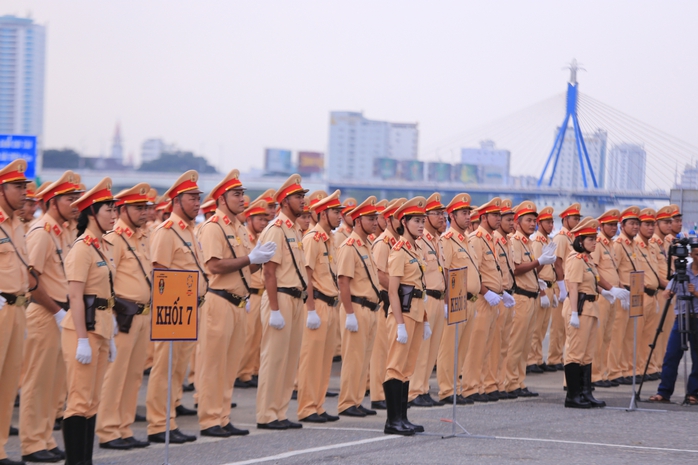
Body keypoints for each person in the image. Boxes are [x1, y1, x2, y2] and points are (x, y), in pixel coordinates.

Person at [197, 170, 276, 438]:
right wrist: (249, 259)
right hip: (219, 300)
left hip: (239, 301)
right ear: (221, 199)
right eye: (237, 194)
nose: (243, 199)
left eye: (242, 194)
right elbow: (215, 265)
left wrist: (258, 260)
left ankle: (222, 416)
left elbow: (246, 270)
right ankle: (209, 420)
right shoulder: (213, 227)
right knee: (214, 364)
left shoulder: (239, 228)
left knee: (230, 364)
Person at [20, 172, 82, 463]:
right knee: (38, 381)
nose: (76, 204)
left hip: (63, 313)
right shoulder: (42, 231)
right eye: (70, 199)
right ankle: (32, 443)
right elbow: (31, 280)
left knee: (56, 382)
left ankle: (44, 437)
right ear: (53, 202)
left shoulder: (67, 230)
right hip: (46, 312)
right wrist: (57, 311)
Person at [146, 170, 207, 444]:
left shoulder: (190, 231)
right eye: (192, 198)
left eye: (198, 198)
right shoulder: (167, 232)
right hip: (173, 312)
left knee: (177, 369)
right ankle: (159, 424)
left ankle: (169, 419)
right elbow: (159, 272)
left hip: (190, 310)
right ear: (176, 201)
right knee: (165, 368)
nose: (197, 203)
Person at [61, 177, 118, 465]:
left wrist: (110, 335)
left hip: (101, 328)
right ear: (92, 213)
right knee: (79, 401)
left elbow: (106, 292)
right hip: (82, 331)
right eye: (108, 209)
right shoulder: (82, 248)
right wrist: (82, 338)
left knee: (93, 401)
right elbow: (75, 297)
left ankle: (86, 460)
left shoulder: (104, 247)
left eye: (114, 208)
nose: (114, 214)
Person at [96, 183, 153, 450]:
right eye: (138, 208)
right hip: (123, 315)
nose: (144, 213)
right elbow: (106, 278)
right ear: (123, 209)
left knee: (133, 376)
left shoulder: (142, 237)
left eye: (145, 207)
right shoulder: (115, 238)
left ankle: (124, 426)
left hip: (143, 314)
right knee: (116, 374)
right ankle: (108, 430)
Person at [255, 174, 309, 430]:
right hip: (281, 299)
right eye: (299, 197)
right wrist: (274, 309)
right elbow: (269, 272)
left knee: (288, 359)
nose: (303, 201)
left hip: (296, 298)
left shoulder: (295, 229)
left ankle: (279, 411)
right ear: (285, 201)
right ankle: (266, 414)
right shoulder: (276, 229)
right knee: (274, 357)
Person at [383, 197, 431, 435]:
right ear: (404, 222)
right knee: (395, 367)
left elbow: (419, 286)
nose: (421, 225)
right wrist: (400, 324)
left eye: (423, 221)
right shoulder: (399, 251)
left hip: (416, 313)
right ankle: (392, 421)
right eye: (416, 221)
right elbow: (393, 290)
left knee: (407, 367)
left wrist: (425, 320)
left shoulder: (417, 249)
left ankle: (402, 418)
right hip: (402, 315)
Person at [296, 190, 343, 423]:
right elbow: (307, 276)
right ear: (323, 214)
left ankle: (318, 404)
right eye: (336, 212)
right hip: (318, 306)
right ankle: (306, 407)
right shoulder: (312, 239)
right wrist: (311, 309)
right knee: (311, 359)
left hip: (331, 304)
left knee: (324, 361)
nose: (340, 216)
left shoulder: (329, 239)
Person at [462, 198, 514, 402]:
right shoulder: (476, 239)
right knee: (476, 346)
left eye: (500, 216)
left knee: (489, 345)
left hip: (494, 298)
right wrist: (487, 292)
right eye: (496, 216)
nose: (499, 219)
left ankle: (484, 385)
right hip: (483, 299)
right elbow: (473, 272)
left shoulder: (491, 239)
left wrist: (502, 292)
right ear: (484, 217)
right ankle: (470, 387)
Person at [336, 196, 382, 418]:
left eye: (375, 218)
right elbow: (343, 281)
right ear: (358, 220)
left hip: (370, 308)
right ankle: (347, 402)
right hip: (356, 307)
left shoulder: (367, 245)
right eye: (370, 218)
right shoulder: (349, 247)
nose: (375, 222)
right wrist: (349, 314)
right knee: (353, 358)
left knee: (363, 359)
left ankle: (356, 399)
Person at [505, 201, 556, 397]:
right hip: (521, 296)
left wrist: (542, 262)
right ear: (517, 223)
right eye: (528, 220)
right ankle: (509, 382)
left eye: (534, 220)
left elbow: (533, 269)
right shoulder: (516, 241)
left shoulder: (527, 242)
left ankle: (519, 381)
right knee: (515, 343)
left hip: (532, 295)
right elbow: (516, 269)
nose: (532, 224)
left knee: (525, 343)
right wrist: (539, 261)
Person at [0, 160, 33, 465]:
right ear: (2, 189)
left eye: (25, 187)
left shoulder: (18, 225)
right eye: (18, 187)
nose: (25, 192)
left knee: (9, 382)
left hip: (19, 307)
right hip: (0, 307)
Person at [436, 193, 480, 405]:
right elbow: (445, 272)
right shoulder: (447, 240)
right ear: (452, 216)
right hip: (455, 299)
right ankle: (446, 390)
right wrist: (446, 301)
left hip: (469, 300)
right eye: (464, 213)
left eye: (469, 213)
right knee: (449, 348)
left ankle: (457, 387)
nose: (468, 217)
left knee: (462, 347)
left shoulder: (467, 240)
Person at [562, 217, 607, 409]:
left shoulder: (587, 260)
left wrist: (609, 292)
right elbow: (573, 287)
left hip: (590, 308)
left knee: (587, 354)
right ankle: (573, 396)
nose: (594, 242)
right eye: (590, 239)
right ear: (580, 241)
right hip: (578, 308)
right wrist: (573, 313)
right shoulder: (576, 259)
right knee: (575, 353)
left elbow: (593, 284)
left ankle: (585, 392)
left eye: (595, 239)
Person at [409, 194, 448, 407]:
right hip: (426, 298)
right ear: (427, 217)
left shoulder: (438, 242)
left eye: (443, 214)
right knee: (422, 348)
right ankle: (415, 391)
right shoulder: (421, 241)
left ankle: (423, 388)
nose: (442, 218)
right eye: (438, 214)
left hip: (438, 299)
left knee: (432, 348)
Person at [649, 239, 698, 405]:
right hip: (681, 318)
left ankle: (694, 393)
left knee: (697, 357)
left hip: (697, 318)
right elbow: (668, 292)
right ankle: (664, 392)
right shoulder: (681, 273)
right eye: (696, 254)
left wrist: (695, 292)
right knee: (671, 355)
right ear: (691, 254)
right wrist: (669, 292)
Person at [369, 198, 406, 410]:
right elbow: (379, 274)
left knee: (391, 349)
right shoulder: (383, 243)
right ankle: (377, 393)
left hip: (395, 300)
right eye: (399, 218)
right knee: (381, 350)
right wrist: (399, 291)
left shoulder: (398, 243)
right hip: (386, 299)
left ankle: (386, 392)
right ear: (390, 220)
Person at [590, 209, 630, 387]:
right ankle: (595, 374)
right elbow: (595, 271)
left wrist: (621, 290)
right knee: (599, 337)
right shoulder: (597, 244)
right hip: (603, 295)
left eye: (615, 224)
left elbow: (613, 271)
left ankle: (604, 372)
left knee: (607, 336)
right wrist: (609, 289)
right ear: (602, 226)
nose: (614, 228)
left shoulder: (611, 245)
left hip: (613, 295)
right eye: (610, 225)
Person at [484, 199, 517, 399]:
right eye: (504, 218)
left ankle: (498, 383)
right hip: (490, 296)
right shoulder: (490, 239)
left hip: (503, 296)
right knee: (491, 345)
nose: (511, 223)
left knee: (503, 345)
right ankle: (487, 384)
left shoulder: (503, 241)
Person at [236, 198, 271, 388]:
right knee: (247, 336)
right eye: (260, 219)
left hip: (261, 292)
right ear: (249, 219)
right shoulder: (245, 237)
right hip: (250, 293)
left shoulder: (259, 238)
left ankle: (250, 371)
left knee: (258, 336)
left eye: (266, 220)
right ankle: (240, 372)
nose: (264, 223)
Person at [608, 207, 642, 385]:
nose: (635, 227)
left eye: (637, 223)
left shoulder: (633, 244)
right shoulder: (618, 245)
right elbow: (614, 270)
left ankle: (627, 368)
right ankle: (614, 370)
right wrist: (621, 292)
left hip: (634, 292)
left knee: (630, 336)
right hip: (624, 293)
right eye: (632, 224)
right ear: (623, 225)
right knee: (618, 334)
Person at [635, 208, 669, 379]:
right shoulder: (634, 245)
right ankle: (633, 369)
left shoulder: (651, 247)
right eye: (646, 224)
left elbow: (655, 273)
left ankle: (645, 367)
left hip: (653, 294)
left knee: (649, 335)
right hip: (639, 294)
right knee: (634, 336)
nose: (650, 228)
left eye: (652, 224)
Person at [548, 203, 581, 370]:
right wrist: (561, 287)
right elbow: (558, 263)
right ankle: (554, 357)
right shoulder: (561, 237)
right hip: (562, 285)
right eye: (574, 219)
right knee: (558, 327)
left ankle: (560, 356)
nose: (577, 221)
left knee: (566, 326)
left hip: (570, 286)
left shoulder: (572, 237)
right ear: (566, 219)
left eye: (578, 218)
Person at [527, 206, 557, 374]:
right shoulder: (537, 242)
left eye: (552, 222)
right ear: (539, 223)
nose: (551, 225)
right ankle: (532, 359)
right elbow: (535, 268)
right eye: (547, 222)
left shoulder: (547, 241)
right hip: (541, 286)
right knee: (536, 327)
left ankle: (538, 358)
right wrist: (543, 292)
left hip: (549, 286)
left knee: (543, 326)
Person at [648, 205, 675, 377]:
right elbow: (655, 273)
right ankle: (653, 365)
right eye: (666, 222)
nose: (670, 225)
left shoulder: (665, 243)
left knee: (665, 331)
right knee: (654, 332)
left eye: (670, 222)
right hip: (660, 291)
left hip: (668, 290)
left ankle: (659, 364)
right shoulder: (653, 243)